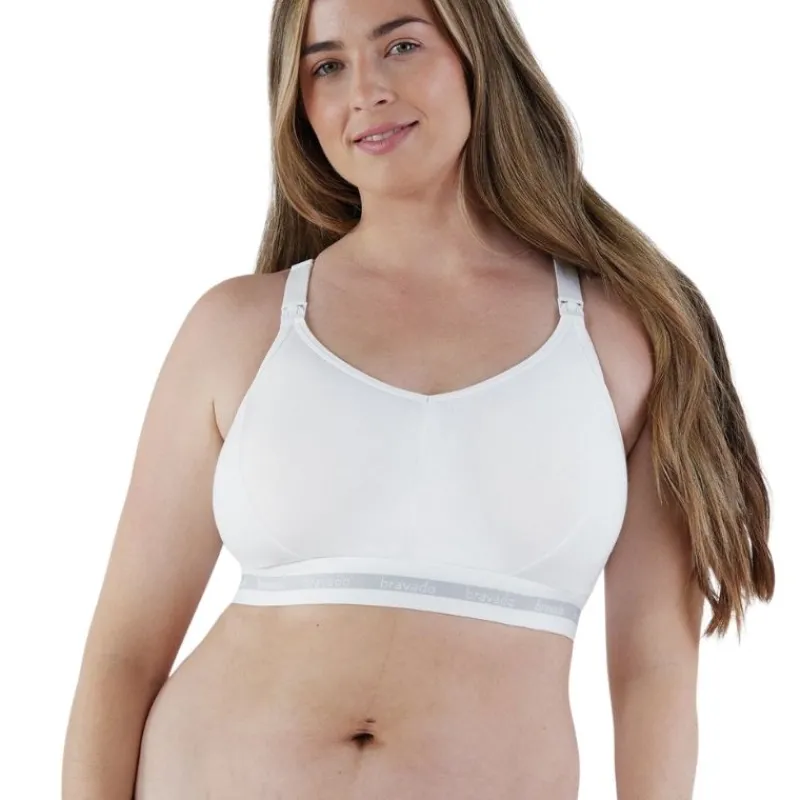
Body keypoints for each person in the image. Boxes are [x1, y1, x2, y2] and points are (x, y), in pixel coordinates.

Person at [62, 0, 776, 797]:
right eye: (327, 66)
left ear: (478, 54)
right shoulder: (237, 329)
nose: (365, 89)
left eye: (400, 46)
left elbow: (654, 669)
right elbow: (123, 655)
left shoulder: (625, 336)